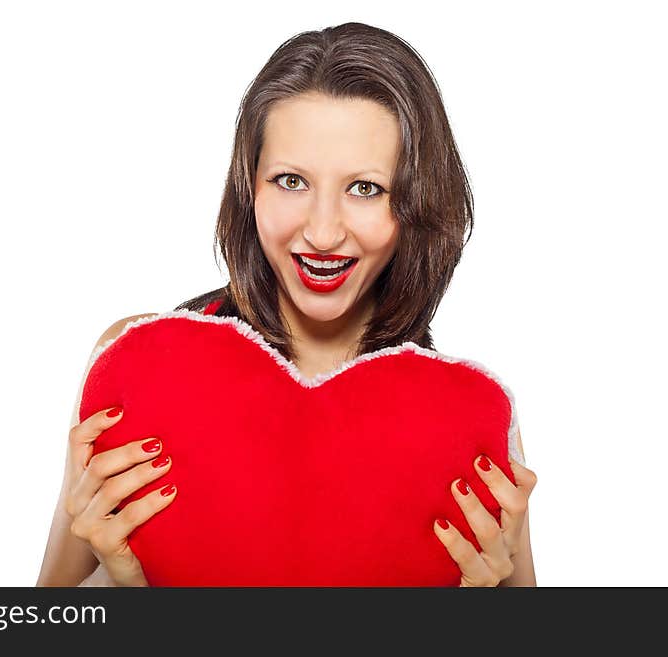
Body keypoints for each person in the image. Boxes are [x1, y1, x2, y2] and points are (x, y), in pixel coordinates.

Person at [36, 22, 538, 588]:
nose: (322, 232)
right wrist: (128, 589)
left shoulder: (459, 429)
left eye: (366, 188)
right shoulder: (138, 371)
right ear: (249, 186)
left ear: (419, 202)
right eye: (291, 180)